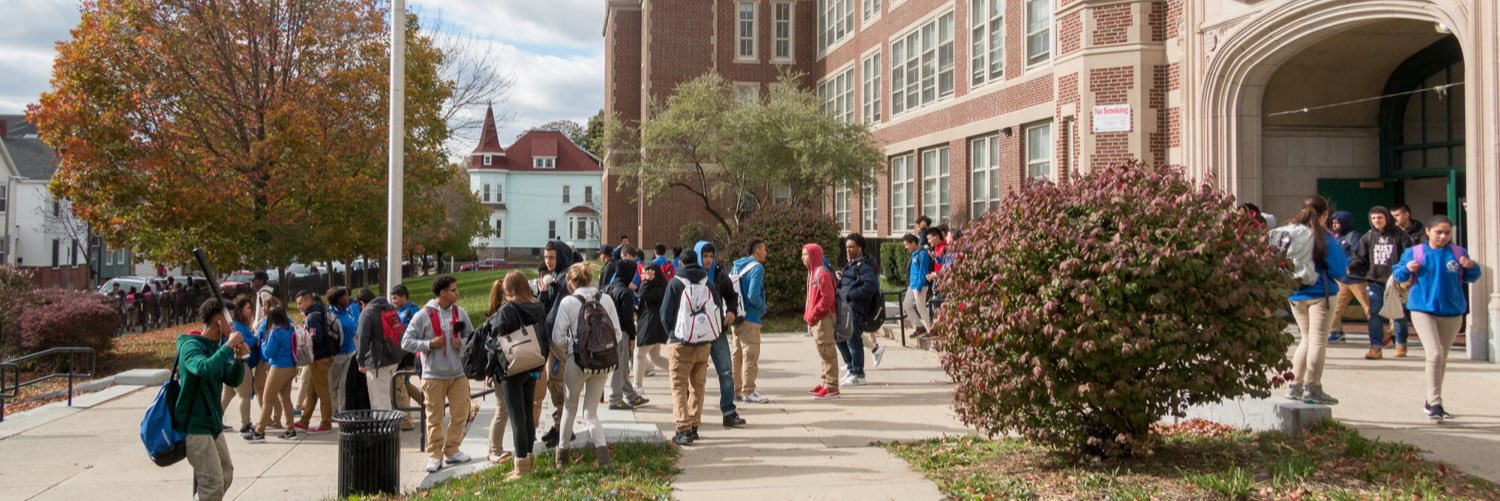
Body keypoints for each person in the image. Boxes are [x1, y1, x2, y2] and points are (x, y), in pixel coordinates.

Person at [1392, 216, 1480, 420]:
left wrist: (1471, 266)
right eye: (1439, 232)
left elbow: (1472, 277)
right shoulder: (1415, 252)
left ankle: (1431, 399)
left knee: (1441, 358)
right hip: (1422, 309)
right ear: (1428, 232)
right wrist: (1407, 269)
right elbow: (1398, 275)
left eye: (1447, 233)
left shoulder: (1458, 253)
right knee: (1435, 353)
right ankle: (1435, 403)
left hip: (1452, 311)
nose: (1443, 236)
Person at [552, 263, 625, 468]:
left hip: (577, 363)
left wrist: (573, 347)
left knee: (569, 407)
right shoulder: (606, 299)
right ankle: (604, 459)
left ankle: (562, 457)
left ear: (571, 282)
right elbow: (617, 334)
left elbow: (557, 337)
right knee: (591, 413)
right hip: (602, 363)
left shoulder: (568, 302)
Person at [401, 274, 476, 473]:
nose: (457, 293)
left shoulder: (460, 313)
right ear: (442, 293)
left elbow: (472, 336)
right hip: (433, 376)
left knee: (461, 413)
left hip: (458, 373)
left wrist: (464, 344)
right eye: (453, 290)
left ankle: (452, 450)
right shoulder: (423, 315)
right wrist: (428, 344)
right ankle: (435, 455)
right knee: (434, 417)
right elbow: (405, 341)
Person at [175, 298, 246, 501]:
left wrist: (239, 360)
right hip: (195, 425)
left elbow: (231, 379)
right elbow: (203, 369)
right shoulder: (190, 346)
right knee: (212, 485)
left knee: (225, 475)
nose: (233, 326)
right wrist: (228, 346)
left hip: (212, 424)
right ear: (217, 320)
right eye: (230, 321)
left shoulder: (215, 347)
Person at [1282, 195, 1348, 406]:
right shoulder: (1325, 238)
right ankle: (1313, 387)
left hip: (1295, 294)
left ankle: (1294, 385)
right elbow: (1339, 270)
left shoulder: (1290, 234)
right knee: (1318, 340)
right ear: (1325, 214)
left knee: (1306, 339)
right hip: (1321, 293)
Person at [481, 271, 548, 478]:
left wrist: (490, 370)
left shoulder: (507, 310)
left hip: (510, 368)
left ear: (507, 290)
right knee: (528, 413)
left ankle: (521, 468)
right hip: (531, 364)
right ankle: (529, 456)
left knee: (517, 417)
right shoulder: (537, 306)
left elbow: (496, 343)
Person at [661, 249, 720, 445]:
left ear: (680, 264)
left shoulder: (675, 283)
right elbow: (717, 309)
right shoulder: (708, 283)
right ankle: (694, 425)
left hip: (680, 343)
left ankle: (683, 428)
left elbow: (665, 314)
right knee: (698, 386)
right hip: (704, 344)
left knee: (679, 386)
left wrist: (673, 333)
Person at [693, 241, 747, 428]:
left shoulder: (719, 274)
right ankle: (690, 418)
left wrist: (731, 311)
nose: (708, 260)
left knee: (725, 371)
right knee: (694, 376)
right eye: (704, 256)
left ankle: (729, 412)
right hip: (696, 335)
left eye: (710, 256)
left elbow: (732, 295)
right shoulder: (691, 276)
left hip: (717, 331)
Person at [1350, 206, 1415, 359]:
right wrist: (1352, 267)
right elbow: (1360, 257)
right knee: (1375, 314)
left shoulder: (1400, 235)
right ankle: (1376, 347)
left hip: (1395, 280)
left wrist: (1405, 274)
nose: (1376, 221)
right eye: (1373, 218)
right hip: (1375, 279)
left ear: (1387, 217)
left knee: (1397, 313)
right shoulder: (1368, 237)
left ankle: (1401, 344)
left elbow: (1409, 254)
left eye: (1380, 217)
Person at [537, 240, 576, 448]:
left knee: (556, 381)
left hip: (559, 340)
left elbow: (555, 314)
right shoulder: (555, 278)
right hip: (553, 338)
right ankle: (559, 422)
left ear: (560, 256)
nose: (548, 261)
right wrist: (543, 294)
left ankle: (563, 426)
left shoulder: (565, 279)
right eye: (545, 257)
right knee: (555, 382)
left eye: (551, 257)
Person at [246, 305, 298, 442]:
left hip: (278, 367)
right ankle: (290, 430)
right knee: (286, 399)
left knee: (267, 399)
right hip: (291, 366)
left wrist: (263, 342)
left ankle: (259, 431)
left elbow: (268, 352)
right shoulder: (291, 328)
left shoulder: (275, 332)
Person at [604, 259, 648, 410]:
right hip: (621, 333)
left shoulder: (608, 288)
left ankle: (631, 396)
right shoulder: (625, 292)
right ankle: (615, 399)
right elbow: (628, 319)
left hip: (607, 332)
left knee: (621, 366)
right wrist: (632, 337)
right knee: (620, 367)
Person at [838, 234, 881, 387]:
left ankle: (858, 374)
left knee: (854, 341)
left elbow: (869, 286)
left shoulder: (864, 266)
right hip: (846, 309)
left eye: (852, 247)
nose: (848, 250)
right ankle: (851, 368)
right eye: (847, 247)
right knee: (840, 338)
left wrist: (850, 295)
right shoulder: (852, 264)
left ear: (860, 248)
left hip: (856, 310)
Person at [731, 239, 769, 404]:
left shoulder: (737, 266)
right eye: (764, 250)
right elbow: (753, 294)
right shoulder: (757, 268)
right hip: (750, 318)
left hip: (736, 317)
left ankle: (736, 391)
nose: (766, 253)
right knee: (750, 355)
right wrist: (762, 308)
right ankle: (749, 391)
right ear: (758, 250)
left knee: (737, 357)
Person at [479, 279, 513, 464]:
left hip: (496, 369)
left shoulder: (493, 314)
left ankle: (491, 447)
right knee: (502, 411)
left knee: (501, 410)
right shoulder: (503, 315)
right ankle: (495, 450)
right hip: (501, 369)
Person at [293, 291, 337, 434]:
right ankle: (304, 422)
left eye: (300, 303)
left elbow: (316, 338)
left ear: (308, 301)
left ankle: (326, 423)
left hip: (320, 359)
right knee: (311, 392)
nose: (298, 306)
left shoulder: (312, 317)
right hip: (318, 359)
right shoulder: (319, 313)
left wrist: (302, 336)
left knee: (323, 392)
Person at [356, 286, 406, 412]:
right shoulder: (389, 308)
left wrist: (361, 361)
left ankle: (385, 428)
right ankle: (388, 425)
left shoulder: (367, 312)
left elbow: (362, 338)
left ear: (362, 303)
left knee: (379, 399)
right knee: (385, 395)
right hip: (394, 357)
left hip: (377, 361)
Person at [219, 295, 261, 435]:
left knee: (228, 393)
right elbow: (242, 342)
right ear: (240, 310)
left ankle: (216, 420)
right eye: (248, 308)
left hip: (228, 362)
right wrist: (255, 340)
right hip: (239, 362)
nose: (250, 311)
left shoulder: (236, 325)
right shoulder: (236, 326)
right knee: (244, 394)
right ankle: (245, 424)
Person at [803, 243, 840, 400]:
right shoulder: (811, 273)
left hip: (823, 319)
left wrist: (815, 313)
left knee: (828, 352)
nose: (803, 258)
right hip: (815, 320)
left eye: (805, 255)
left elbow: (827, 298)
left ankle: (832, 386)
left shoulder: (822, 274)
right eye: (803, 254)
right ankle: (824, 381)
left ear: (813, 255)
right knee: (822, 352)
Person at [1327, 211, 1364, 343]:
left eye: (1337, 223)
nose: (1334, 225)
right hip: (1342, 279)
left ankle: (1382, 335)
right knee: (1335, 308)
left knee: (1369, 308)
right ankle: (1336, 332)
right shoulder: (1335, 237)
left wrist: (1351, 265)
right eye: (1333, 223)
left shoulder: (1353, 236)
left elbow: (1358, 253)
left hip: (1356, 279)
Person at [389, 284, 422, 430]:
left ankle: (408, 418)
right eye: (393, 298)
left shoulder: (412, 310)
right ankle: (426, 406)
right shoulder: (399, 310)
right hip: (401, 352)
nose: (394, 301)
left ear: (404, 297)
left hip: (408, 354)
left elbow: (418, 330)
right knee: (404, 384)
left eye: (396, 298)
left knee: (402, 384)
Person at [634, 263, 671, 389]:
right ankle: (679, 370)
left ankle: (637, 386)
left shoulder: (660, 287)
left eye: (646, 273)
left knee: (639, 355)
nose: (643, 276)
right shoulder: (657, 286)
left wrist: (646, 281)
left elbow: (642, 294)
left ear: (654, 274)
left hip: (651, 327)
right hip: (653, 327)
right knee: (656, 358)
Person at [326, 287, 360, 412]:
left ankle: (342, 410)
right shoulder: (329, 314)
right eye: (344, 296)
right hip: (337, 355)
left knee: (344, 385)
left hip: (350, 353)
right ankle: (334, 410)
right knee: (333, 385)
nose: (348, 298)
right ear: (337, 298)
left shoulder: (348, 312)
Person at [902, 234, 936, 339]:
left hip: (919, 286)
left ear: (913, 242)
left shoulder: (923, 254)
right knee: (906, 306)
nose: (906, 247)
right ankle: (919, 327)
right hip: (912, 285)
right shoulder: (914, 254)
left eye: (907, 244)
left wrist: (919, 286)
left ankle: (931, 329)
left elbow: (923, 271)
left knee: (921, 309)